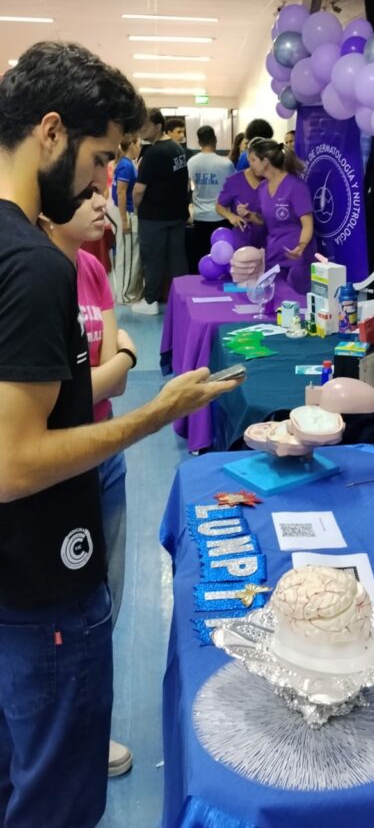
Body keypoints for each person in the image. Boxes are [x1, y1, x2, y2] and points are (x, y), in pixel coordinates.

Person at [0, 39, 240, 828]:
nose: (105, 181)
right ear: (51, 131)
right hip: (42, 582)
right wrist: (156, 414)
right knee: (56, 798)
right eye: (101, 158)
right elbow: (14, 463)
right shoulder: (33, 266)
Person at [40, 191, 137, 776]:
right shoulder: (33, 276)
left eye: (101, 190)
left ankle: (85, 726)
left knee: (106, 597)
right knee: (61, 612)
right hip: (58, 463)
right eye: (85, 194)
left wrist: (114, 369)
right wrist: (121, 362)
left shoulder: (92, 267)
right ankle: (66, 739)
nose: (102, 204)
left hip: (105, 453)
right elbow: (67, 393)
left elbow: (112, 381)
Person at [132, 113, 190, 315]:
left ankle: (150, 301)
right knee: (177, 258)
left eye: (145, 127)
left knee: (152, 259)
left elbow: (138, 190)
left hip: (154, 216)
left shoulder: (153, 153)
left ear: (158, 126)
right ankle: (184, 298)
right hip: (176, 213)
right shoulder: (177, 148)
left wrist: (136, 208)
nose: (141, 131)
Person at [248, 137, 316, 295]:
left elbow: (307, 224)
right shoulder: (262, 188)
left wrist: (301, 246)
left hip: (297, 256)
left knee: (296, 302)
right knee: (274, 298)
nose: (250, 164)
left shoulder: (295, 186)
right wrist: (249, 215)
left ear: (265, 161)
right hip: (274, 254)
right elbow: (263, 220)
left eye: (253, 160)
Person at [187, 125, 235, 271]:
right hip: (221, 215)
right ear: (215, 140)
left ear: (199, 142)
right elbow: (234, 188)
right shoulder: (226, 163)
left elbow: (187, 187)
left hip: (200, 216)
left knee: (202, 255)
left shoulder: (191, 162)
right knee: (223, 257)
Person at [111, 131, 142, 303]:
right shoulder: (125, 165)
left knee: (131, 253)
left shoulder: (128, 163)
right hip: (126, 212)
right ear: (132, 145)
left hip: (128, 211)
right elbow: (120, 192)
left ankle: (129, 291)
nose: (140, 148)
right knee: (127, 254)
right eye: (139, 144)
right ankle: (125, 294)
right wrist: (124, 220)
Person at [215, 161, 267, 251]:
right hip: (242, 243)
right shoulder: (234, 180)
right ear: (249, 158)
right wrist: (231, 216)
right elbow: (219, 206)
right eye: (255, 160)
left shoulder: (274, 180)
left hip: (268, 243)